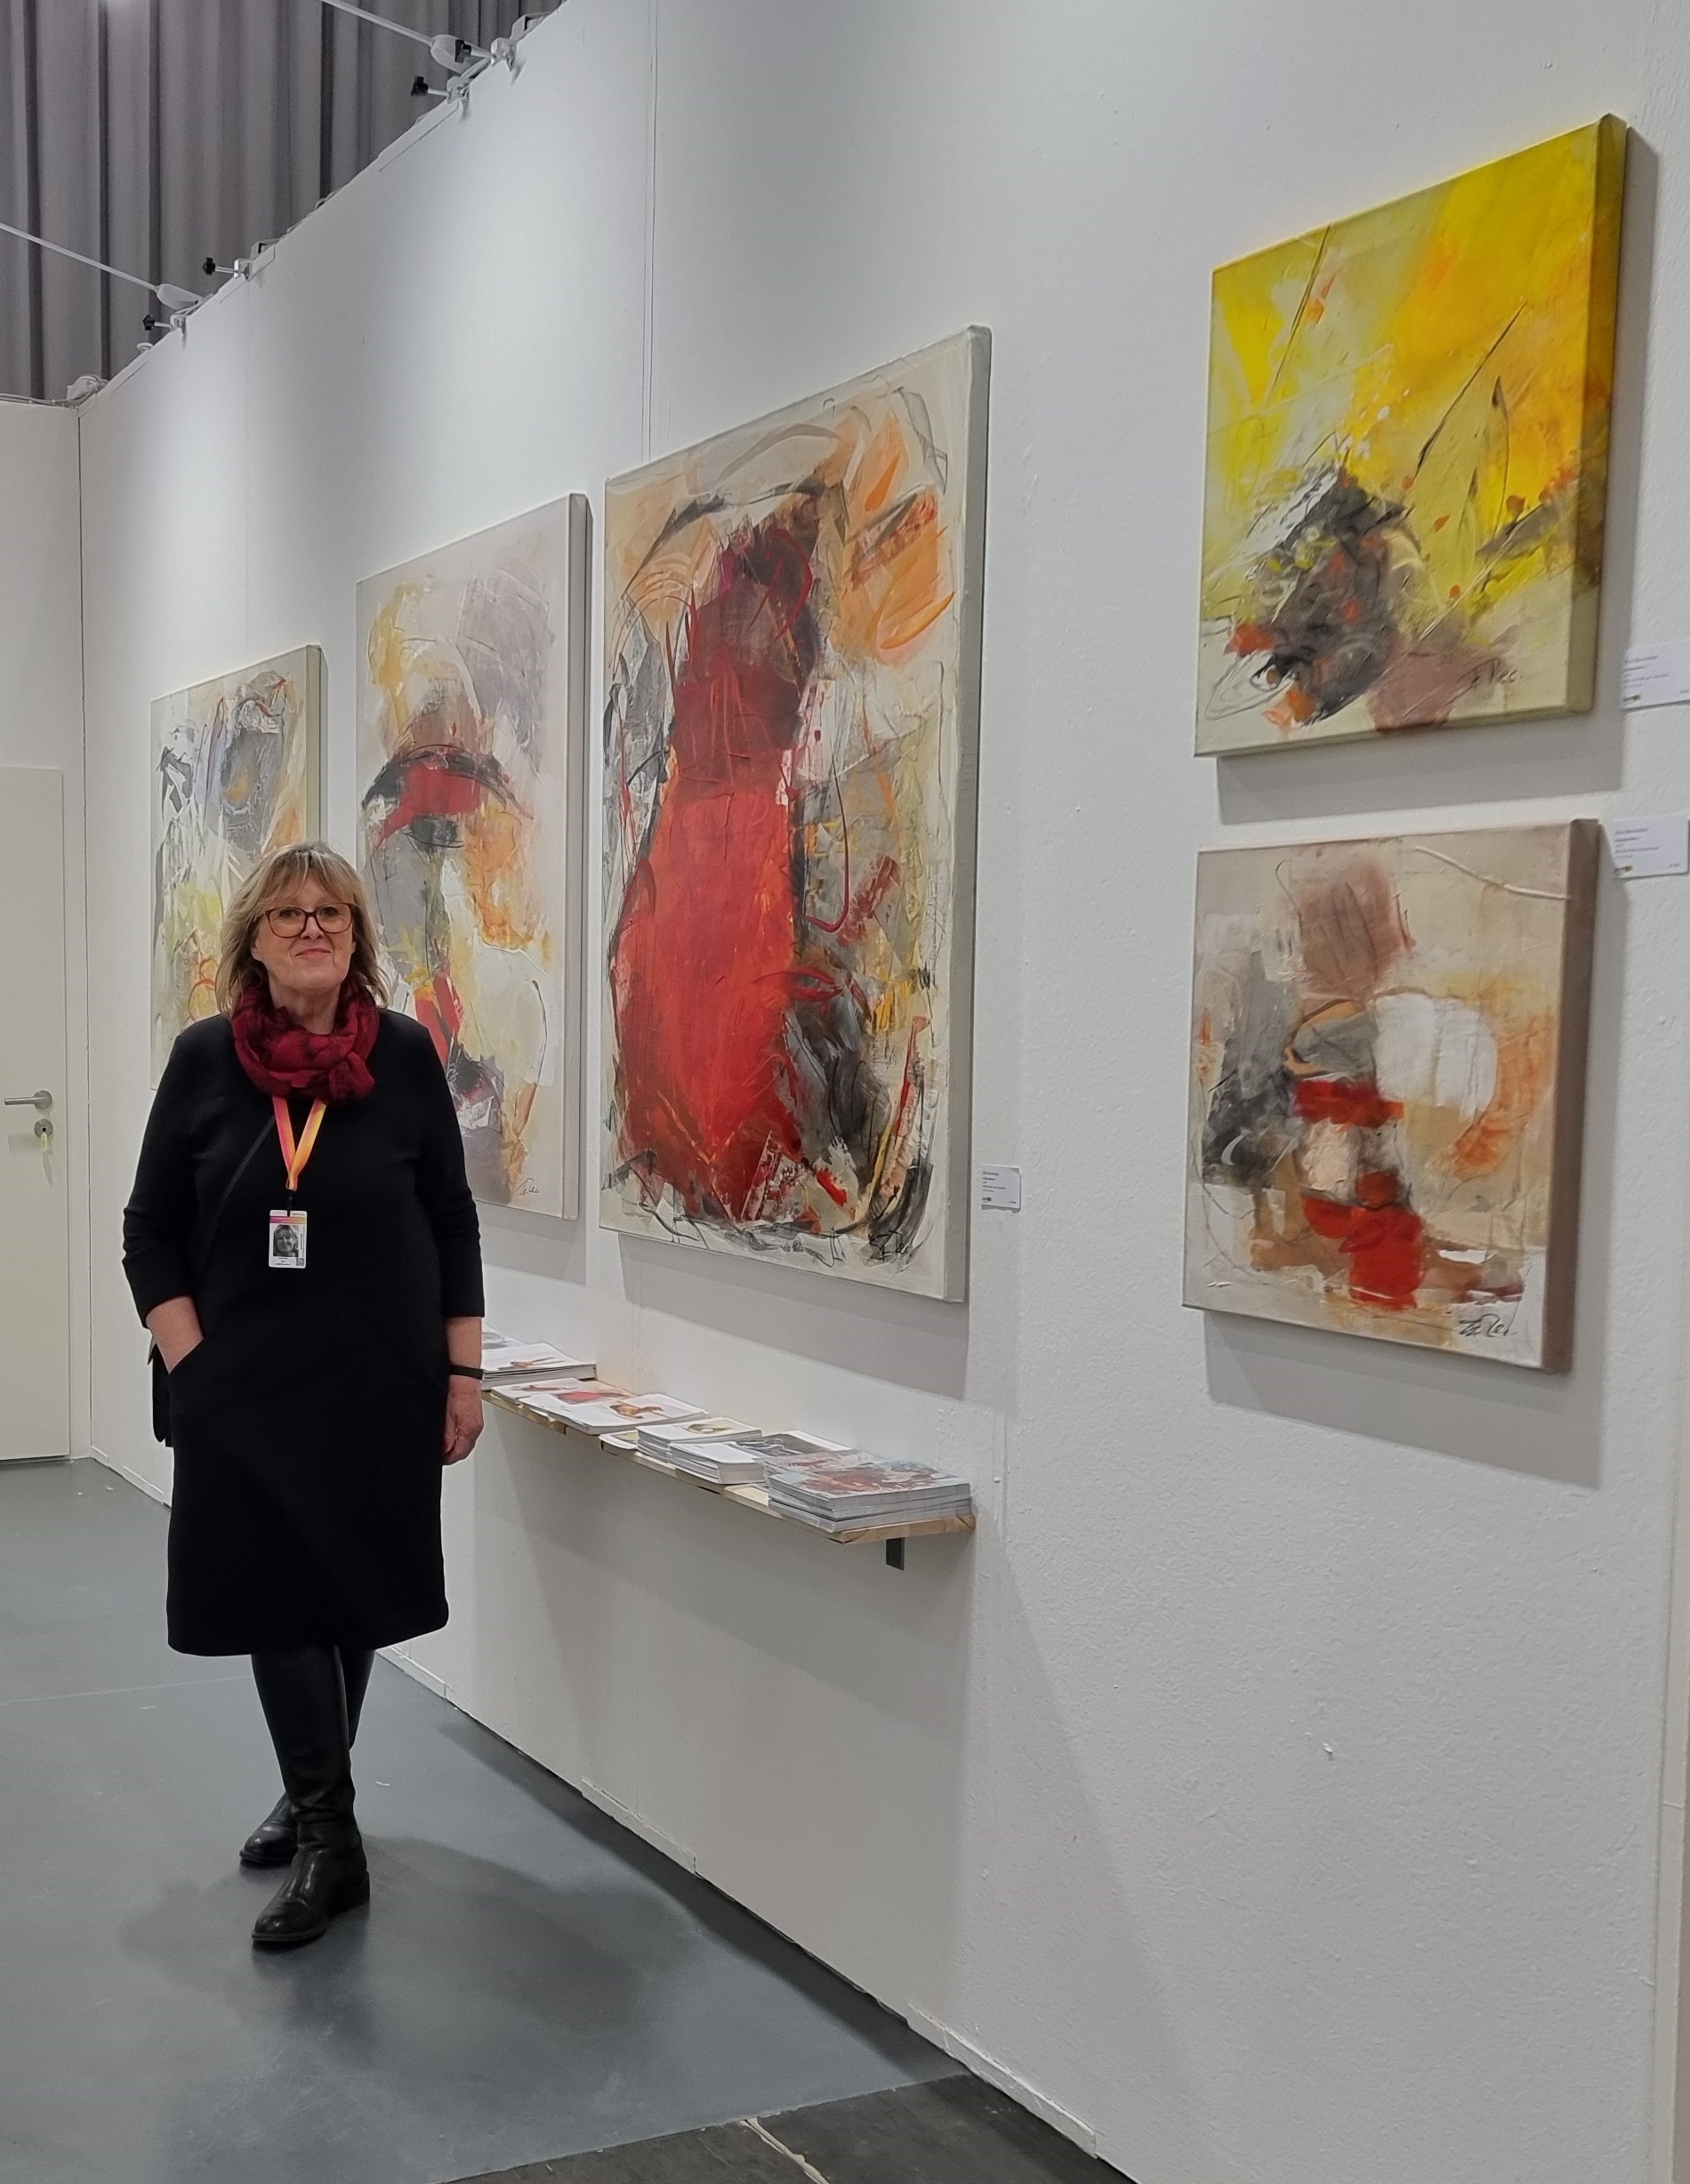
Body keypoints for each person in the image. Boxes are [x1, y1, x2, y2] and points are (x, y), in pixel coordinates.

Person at [123, 841, 485, 1951]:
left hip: (379, 1382)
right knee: (278, 1598)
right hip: (245, 1388)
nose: (313, 928)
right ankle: (334, 1841)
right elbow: (149, 1229)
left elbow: (451, 1219)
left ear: (357, 935)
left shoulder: (406, 1055)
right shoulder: (204, 1060)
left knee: (352, 1593)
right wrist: (191, 1362)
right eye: (288, 914)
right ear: (255, 938)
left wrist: (464, 1370)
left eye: (331, 912)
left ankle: (308, 1789)